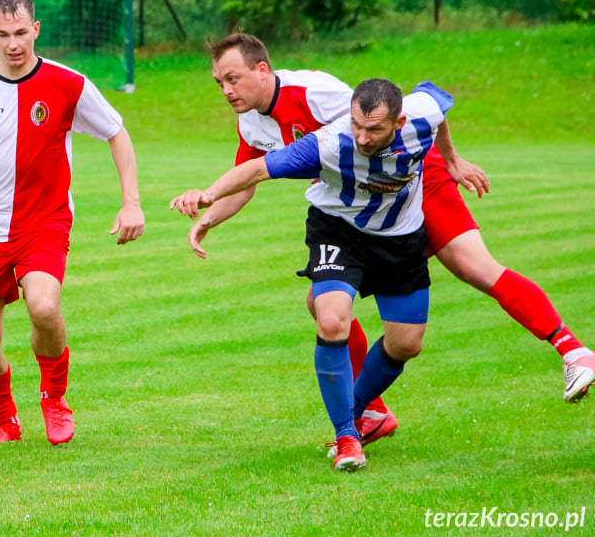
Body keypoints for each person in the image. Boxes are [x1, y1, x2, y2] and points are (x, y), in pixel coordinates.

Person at [185, 33, 594, 445]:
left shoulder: (316, 92)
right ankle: (371, 413)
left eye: (232, 78)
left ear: (261, 69)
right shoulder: (251, 123)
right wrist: (209, 218)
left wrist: (450, 161)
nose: (226, 90)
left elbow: (391, 121)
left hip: (415, 181)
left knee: (474, 267)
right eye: (219, 82)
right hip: (364, 204)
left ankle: (572, 350)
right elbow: (248, 178)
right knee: (322, 305)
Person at [172, 78, 459, 471]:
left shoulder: (420, 118)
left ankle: (357, 411)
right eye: (357, 124)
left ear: (399, 121)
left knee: (407, 344)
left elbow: (440, 109)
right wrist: (208, 195)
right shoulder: (329, 142)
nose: (362, 136)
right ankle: (346, 438)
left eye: (374, 129)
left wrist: (453, 161)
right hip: (338, 230)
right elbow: (256, 169)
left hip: (400, 239)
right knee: (330, 318)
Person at [0, 0, 144, 446]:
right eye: (3, 35)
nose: (13, 43)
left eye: (21, 33)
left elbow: (117, 134)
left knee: (43, 305)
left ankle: (54, 398)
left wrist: (131, 202)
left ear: (36, 29)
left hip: (45, 221)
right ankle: (6, 423)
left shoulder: (68, 83)